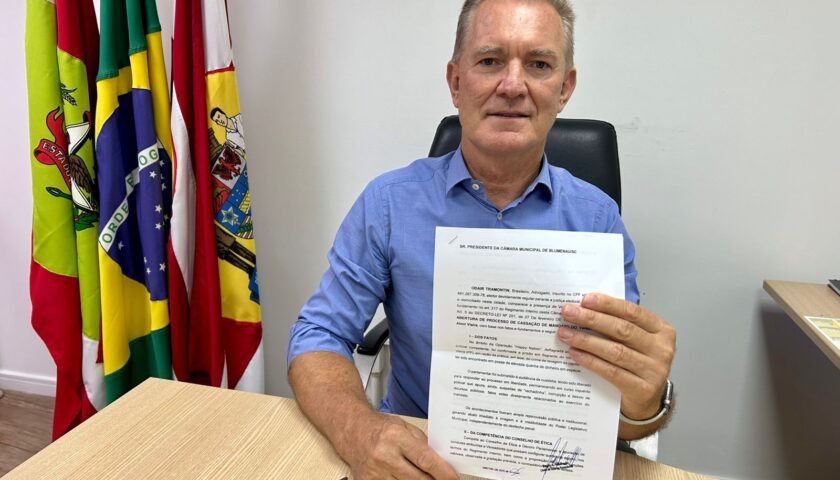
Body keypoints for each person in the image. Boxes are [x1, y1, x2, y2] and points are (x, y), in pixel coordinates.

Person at [287, 0, 677, 478]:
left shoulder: (598, 220)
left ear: (564, 89)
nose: (512, 86)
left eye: (538, 64)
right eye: (490, 60)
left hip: (553, 463)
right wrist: (359, 431)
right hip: (420, 460)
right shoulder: (388, 205)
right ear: (455, 82)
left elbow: (622, 412)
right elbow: (318, 336)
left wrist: (647, 402)